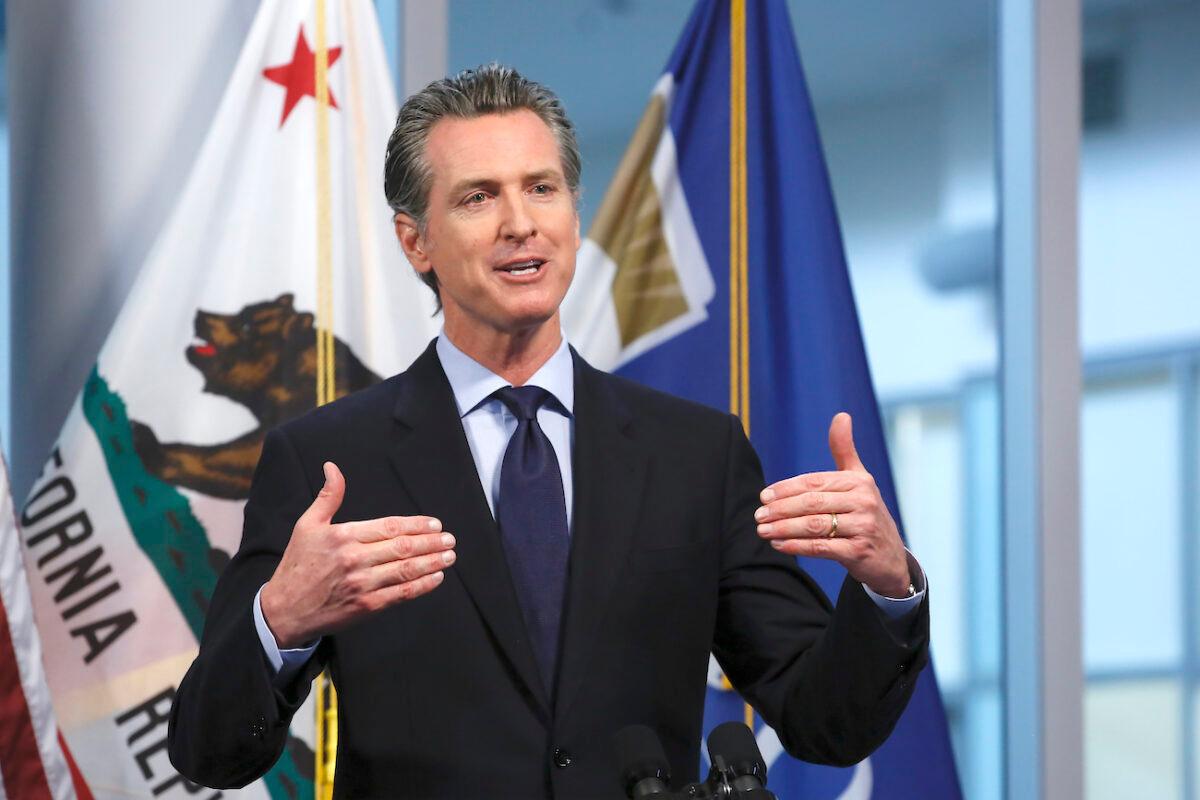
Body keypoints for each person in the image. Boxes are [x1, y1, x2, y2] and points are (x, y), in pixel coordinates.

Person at [168, 64, 929, 799]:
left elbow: (824, 722)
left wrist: (889, 587)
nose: (520, 222)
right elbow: (211, 751)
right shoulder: (328, 462)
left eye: (542, 188)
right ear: (416, 242)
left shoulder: (696, 455)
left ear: (573, 209)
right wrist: (279, 620)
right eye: (477, 197)